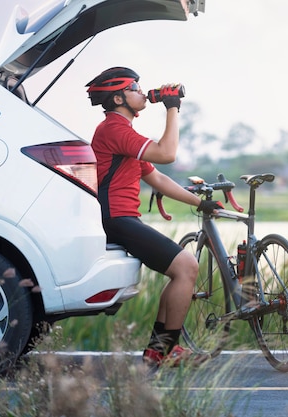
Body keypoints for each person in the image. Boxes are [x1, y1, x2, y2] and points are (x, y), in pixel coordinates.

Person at [85, 67, 223, 367]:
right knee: (186, 266)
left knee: (180, 271)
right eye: (135, 87)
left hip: (123, 218)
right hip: (116, 219)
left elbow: (157, 178)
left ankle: (157, 351)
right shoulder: (113, 129)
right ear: (119, 98)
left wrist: (199, 203)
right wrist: (172, 108)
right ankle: (166, 351)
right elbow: (167, 153)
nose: (141, 90)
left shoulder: (124, 134)